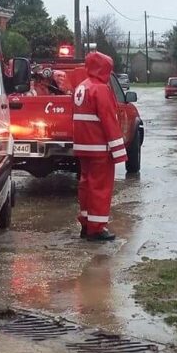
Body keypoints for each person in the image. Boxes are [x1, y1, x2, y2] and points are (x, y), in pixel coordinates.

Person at [73, 52, 127, 242]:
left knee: (86, 185)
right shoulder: (100, 89)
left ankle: (86, 224)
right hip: (99, 149)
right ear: (104, 68)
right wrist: (119, 152)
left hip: (83, 148)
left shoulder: (82, 87)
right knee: (100, 188)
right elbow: (109, 122)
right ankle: (96, 229)